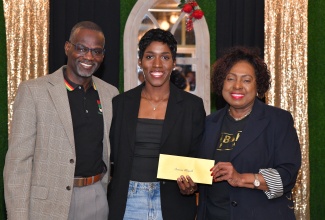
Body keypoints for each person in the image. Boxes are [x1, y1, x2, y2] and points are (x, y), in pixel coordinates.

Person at [3, 21, 119, 220]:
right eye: (82, 48)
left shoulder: (110, 94)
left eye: (96, 51)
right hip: (47, 204)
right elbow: (18, 164)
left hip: (96, 197)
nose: (89, 57)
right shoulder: (34, 91)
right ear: (68, 47)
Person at [108, 28, 206, 220]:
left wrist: (194, 184)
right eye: (150, 56)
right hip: (127, 201)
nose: (157, 65)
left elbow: (199, 155)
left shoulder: (192, 106)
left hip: (173, 202)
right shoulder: (120, 103)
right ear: (140, 62)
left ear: (174, 63)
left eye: (165, 57)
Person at [197, 47, 301, 220]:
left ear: (258, 86)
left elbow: (287, 176)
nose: (237, 86)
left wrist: (242, 178)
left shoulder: (278, 120)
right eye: (230, 79)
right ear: (221, 83)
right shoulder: (209, 123)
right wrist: (191, 184)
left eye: (246, 80)